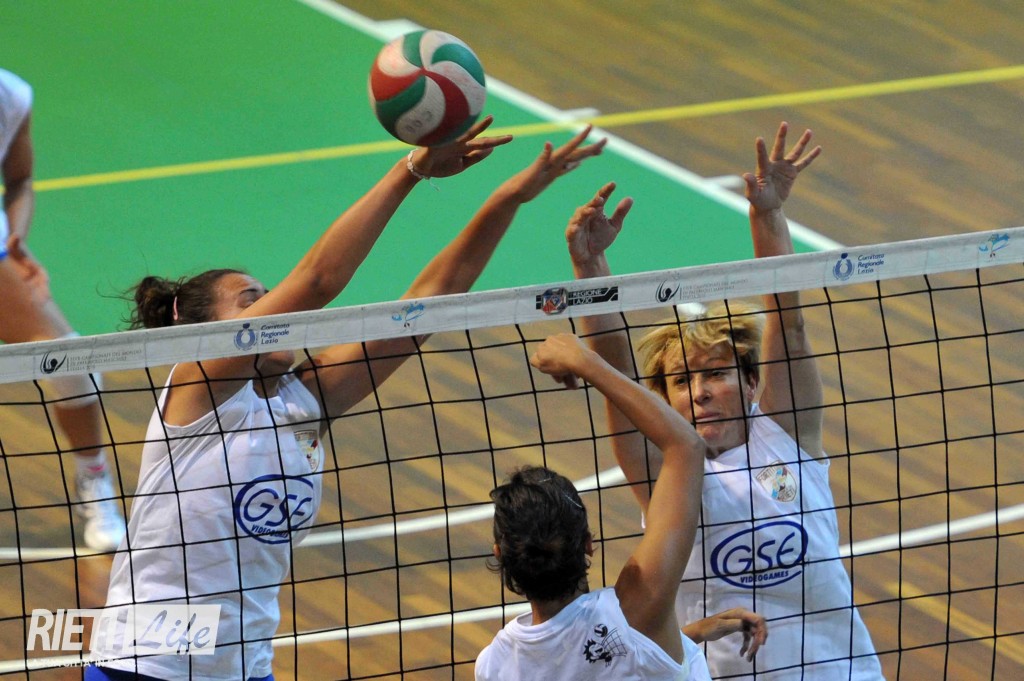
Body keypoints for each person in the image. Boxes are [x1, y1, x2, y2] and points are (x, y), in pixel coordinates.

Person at [85, 119, 614, 681]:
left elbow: (433, 297)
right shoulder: (196, 387)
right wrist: (411, 170)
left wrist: (509, 197)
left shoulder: (303, 403)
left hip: (243, 668)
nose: (275, 313)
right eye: (252, 303)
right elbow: (318, 280)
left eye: (272, 299)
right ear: (202, 330)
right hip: (142, 665)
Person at [567, 123, 884, 679]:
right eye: (681, 382)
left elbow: (789, 322)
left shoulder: (783, 434)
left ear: (752, 383)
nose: (700, 391)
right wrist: (591, 269)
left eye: (715, 373)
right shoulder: (666, 476)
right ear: (662, 401)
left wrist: (767, 213)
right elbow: (615, 373)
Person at [477, 332, 767, 680]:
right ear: (588, 544)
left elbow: (588, 663)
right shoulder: (633, 613)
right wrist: (584, 361)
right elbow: (685, 447)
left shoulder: (494, 664)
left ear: (501, 555)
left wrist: (689, 634)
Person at [0, 67, 126, 551]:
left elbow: (19, 180)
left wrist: (16, 241)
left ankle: (94, 478)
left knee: (70, 362)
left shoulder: (11, 96)